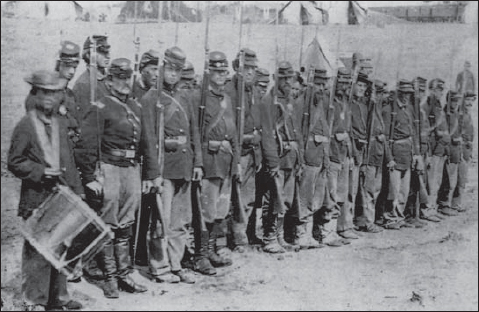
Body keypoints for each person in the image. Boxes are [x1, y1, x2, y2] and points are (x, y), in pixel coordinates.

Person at [75, 58, 160, 298]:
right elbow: (86, 146)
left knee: (126, 224)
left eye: (127, 78)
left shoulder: (136, 107)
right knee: (108, 224)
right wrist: (91, 176)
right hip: (109, 168)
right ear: (109, 80)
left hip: (131, 169)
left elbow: (147, 143)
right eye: (118, 78)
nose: (124, 83)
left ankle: (125, 274)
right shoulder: (100, 107)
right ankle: (110, 278)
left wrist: (151, 174)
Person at [8, 70, 84, 311]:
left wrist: (78, 192)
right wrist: (40, 171)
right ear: (36, 93)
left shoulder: (60, 124)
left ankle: (59, 297)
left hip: (62, 196)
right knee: (37, 252)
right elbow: (15, 161)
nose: (50, 97)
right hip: (37, 198)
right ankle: (35, 300)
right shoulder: (26, 125)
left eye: (55, 92)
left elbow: (69, 162)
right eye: (45, 92)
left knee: (61, 247)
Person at [139, 46, 202, 284]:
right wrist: (152, 173)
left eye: (178, 70)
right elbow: (148, 139)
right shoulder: (150, 99)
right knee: (160, 221)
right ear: (163, 67)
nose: (174, 75)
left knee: (180, 221)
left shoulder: (185, 97)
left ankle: (176, 264)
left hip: (183, 166)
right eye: (170, 69)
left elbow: (194, 131)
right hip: (164, 169)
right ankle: (160, 266)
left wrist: (198, 163)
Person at [193, 51, 240, 274]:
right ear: (209, 73)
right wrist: (200, 160)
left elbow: (233, 132)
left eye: (224, 72)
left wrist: (237, 161)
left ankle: (211, 250)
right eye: (217, 72)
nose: (221, 76)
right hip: (210, 162)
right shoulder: (200, 98)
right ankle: (200, 255)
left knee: (220, 210)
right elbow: (196, 132)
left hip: (226, 161)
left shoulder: (227, 100)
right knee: (206, 210)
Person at [260, 61, 303, 253]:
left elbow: (296, 132)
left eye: (289, 78)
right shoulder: (269, 102)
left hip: (291, 157)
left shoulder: (289, 102)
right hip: (278, 156)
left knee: (284, 199)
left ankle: (279, 236)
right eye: (283, 78)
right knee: (274, 199)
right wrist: (272, 161)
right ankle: (269, 237)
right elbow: (267, 134)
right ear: (275, 79)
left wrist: (299, 158)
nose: (287, 82)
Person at [224, 48, 264, 253]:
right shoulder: (229, 91)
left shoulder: (255, 91)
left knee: (248, 196)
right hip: (235, 151)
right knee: (234, 198)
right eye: (246, 68)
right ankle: (235, 238)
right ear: (237, 68)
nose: (250, 72)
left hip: (252, 151)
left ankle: (243, 233)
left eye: (253, 68)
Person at [296, 67, 330, 249]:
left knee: (316, 198)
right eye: (317, 84)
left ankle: (310, 233)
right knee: (304, 198)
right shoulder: (302, 104)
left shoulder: (321, 105)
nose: (321, 88)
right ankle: (300, 234)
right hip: (308, 158)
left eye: (323, 84)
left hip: (320, 157)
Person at [381, 79, 422, 229]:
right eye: (403, 93)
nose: (406, 96)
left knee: (404, 191)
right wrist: (389, 158)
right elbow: (385, 136)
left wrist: (416, 154)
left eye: (409, 94)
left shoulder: (409, 109)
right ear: (398, 93)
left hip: (407, 154)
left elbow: (413, 133)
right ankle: (390, 218)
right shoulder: (389, 110)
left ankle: (399, 217)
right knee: (394, 189)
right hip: (395, 154)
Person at [25, 40, 82, 145]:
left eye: (74, 67)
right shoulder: (40, 94)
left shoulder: (69, 94)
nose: (72, 72)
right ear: (58, 65)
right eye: (67, 66)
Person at [354, 78, 389, 233]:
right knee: (368, 190)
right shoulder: (368, 109)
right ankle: (366, 222)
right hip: (369, 155)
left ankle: (368, 220)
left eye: (381, 93)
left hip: (378, 156)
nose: (379, 97)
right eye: (377, 93)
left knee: (375, 189)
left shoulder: (379, 110)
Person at [439, 92, 475, 212]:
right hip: (454, 148)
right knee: (450, 179)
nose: (469, 103)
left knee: (461, 179)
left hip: (464, 150)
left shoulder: (466, 114)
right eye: (467, 100)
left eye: (472, 100)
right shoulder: (453, 114)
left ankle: (456, 204)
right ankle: (445, 204)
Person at [72, 35, 111, 125]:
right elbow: (84, 121)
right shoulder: (83, 85)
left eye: (108, 52)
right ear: (89, 55)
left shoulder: (110, 78)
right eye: (102, 52)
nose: (108, 56)